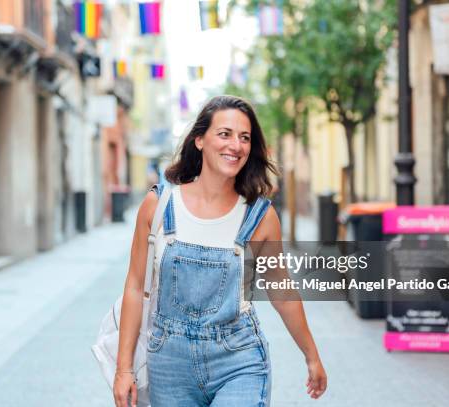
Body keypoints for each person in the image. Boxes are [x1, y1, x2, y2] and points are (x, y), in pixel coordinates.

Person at [114, 95, 327, 407]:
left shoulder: (259, 216)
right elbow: (134, 287)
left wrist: (312, 356)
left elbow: (281, 292)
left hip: (239, 360)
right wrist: (124, 369)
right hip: (168, 365)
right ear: (200, 140)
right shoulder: (159, 206)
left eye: (244, 138)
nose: (236, 145)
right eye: (224, 134)